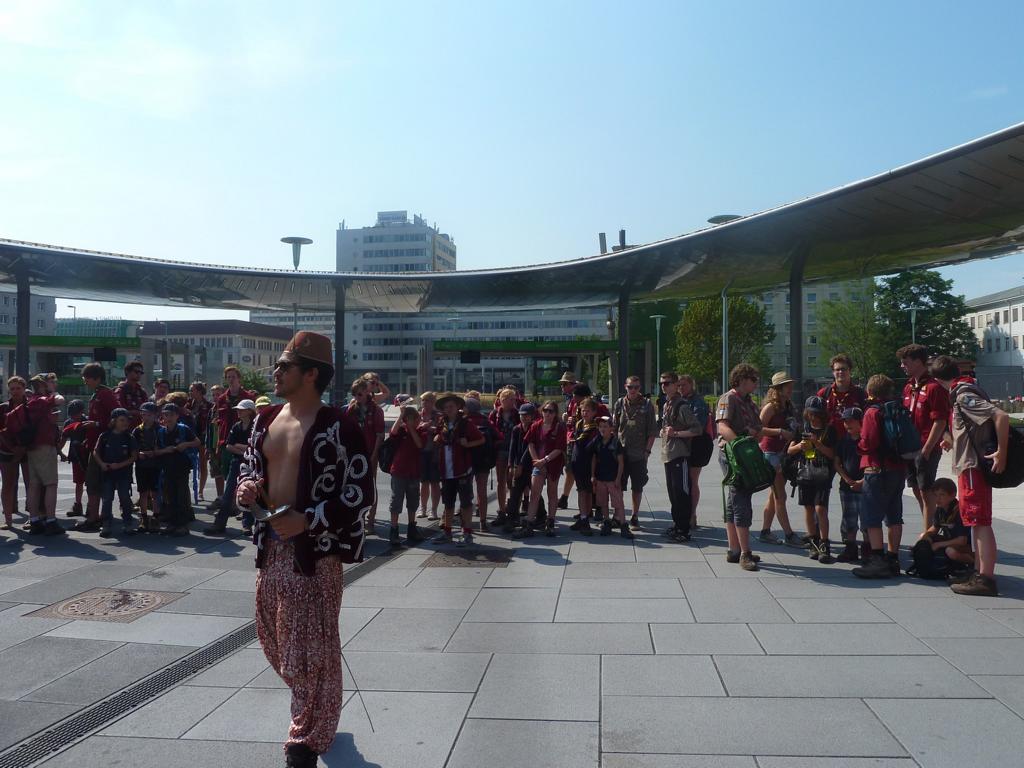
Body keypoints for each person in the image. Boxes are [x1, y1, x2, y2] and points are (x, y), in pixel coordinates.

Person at [235, 330, 372, 768]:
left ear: (311, 374)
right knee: (274, 639)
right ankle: (320, 707)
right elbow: (250, 465)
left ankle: (306, 739)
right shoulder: (265, 418)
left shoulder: (340, 426)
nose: (275, 372)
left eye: (284, 366)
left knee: (307, 648)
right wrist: (247, 487)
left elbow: (360, 493)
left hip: (315, 553)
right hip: (270, 546)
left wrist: (309, 519)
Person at [930, 355, 1010, 596]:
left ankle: (985, 578)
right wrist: (952, 440)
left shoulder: (963, 395)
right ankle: (979, 572)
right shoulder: (964, 391)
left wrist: (1002, 453)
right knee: (975, 523)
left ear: (938, 380)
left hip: (973, 467)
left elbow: (1001, 416)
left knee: (979, 522)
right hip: (970, 465)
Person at [852, 375, 907, 579]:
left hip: (876, 469)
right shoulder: (897, 409)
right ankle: (893, 559)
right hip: (898, 469)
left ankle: (877, 560)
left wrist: (857, 442)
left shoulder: (872, 412)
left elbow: (869, 443)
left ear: (870, 391)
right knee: (894, 516)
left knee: (871, 517)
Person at [716, 363, 764, 571]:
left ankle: (734, 550)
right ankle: (745, 553)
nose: (756, 383)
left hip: (745, 454)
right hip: (734, 456)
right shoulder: (729, 398)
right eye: (754, 380)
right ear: (742, 380)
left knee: (734, 500)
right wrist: (740, 446)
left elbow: (758, 426)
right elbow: (722, 426)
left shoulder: (748, 401)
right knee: (741, 499)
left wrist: (759, 432)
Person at [898, 343, 950, 534]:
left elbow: (940, 421)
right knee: (917, 490)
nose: (902, 366)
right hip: (909, 449)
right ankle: (930, 530)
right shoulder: (908, 387)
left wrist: (926, 450)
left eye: (905, 362)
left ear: (918, 362)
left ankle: (928, 536)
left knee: (927, 492)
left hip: (925, 449)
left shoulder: (934, 388)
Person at [786, 396, 837, 563]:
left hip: (823, 473)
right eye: (811, 414)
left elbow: (832, 454)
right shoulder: (802, 428)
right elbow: (789, 451)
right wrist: (800, 446)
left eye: (817, 414)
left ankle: (824, 543)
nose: (814, 417)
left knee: (820, 509)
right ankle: (813, 541)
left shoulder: (829, 430)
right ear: (806, 413)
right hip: (805, 472)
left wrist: (817, 444)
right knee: (808, 508)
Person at [431, 393, 484, 546]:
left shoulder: (466, 423)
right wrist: (436, 438)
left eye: (451, 406)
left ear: (458, 407)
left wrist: (467, 444)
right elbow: (438, 438)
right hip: (446, 470)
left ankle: (467, 533)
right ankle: (447, 532)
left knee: (466, 503)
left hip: (462, 469)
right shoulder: (442, 423)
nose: (449, 409)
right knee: (448, 503)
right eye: (446, 407)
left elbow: (481, 439)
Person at [76, 363, 121, 532]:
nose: (85, 381)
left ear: (97, 378)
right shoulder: (97, 394)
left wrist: (95, 424)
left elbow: (116, 417)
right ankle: (98, 515)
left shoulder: (105, 394)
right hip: (94, 444)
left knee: (93, 482)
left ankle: (93, 518)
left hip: (102, 447)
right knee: (96, 483)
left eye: (87, 378)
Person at [757, 372, 801, 546]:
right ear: (778, 389)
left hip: (782, 454)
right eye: (786, 386)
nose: (790, 389)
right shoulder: (770, 407)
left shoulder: (788, 405)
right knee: (780, 497)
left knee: (774, 495)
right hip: (771, 454)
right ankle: (789, 535)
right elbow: (757, 429)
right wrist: (780, 431)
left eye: (790, 385)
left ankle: (765, 531)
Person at [205, 399, 257, 536]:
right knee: (228, 494)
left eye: (242, 409)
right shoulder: (236, 426)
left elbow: (255, 446)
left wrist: (239, 446)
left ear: (249, 411)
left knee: (248, 493)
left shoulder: (255, 427)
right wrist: (245, 450)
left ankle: (247, 524)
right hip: (237, 463)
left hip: (251, 464)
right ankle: (219, 524)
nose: (238, 411)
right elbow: (228, 446)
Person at [660, 372, 702, 543]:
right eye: (661, 383)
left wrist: (676, 433)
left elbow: (697, 429)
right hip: (669, 454)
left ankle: (684, 529)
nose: (663, 386)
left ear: (675, 384)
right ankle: (677, 525)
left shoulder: (681, 406)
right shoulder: (667, 404)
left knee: (681, 493)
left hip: (680, 455)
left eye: (667, 383)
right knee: (673, 493)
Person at [517, 399, 567, 538]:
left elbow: (559, 448)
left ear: (555, 413)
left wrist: (544, 460)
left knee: (552, 493)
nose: (547, 413)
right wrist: (536, 461)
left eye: (551, 411)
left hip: (553, 463)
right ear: (541, 411)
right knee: (535, 494)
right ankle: (529, 523)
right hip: (538, 463)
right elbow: (530, 443)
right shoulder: (536, 425)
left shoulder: (559, 427)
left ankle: (550, 522)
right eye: (545, 410)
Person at [613, 374, 656, 530]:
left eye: (636, 387)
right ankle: (618, 515)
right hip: (621, 453)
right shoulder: (619, 403)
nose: (633, 390)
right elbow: (614, 427)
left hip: (639, 453)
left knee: (637, 487)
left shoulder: (647, 405)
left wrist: (647, 452)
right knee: (618, 485)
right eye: (630, 387)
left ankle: (635, 516)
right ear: (625, 387)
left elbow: (652, 431)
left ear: (640, 388)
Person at [212, 367, 257, 510]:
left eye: (233, 377)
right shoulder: (221, 399)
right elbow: (219, 422)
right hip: (226, 440)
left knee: (244, 475)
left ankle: (238, 506)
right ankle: (230, 503)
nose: (231, 380)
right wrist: (217, 444)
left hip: (244, 439)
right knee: (227, 474)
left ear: (239, 378)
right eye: (228, 377)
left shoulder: (248, 397)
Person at [342, 378, 385, 528]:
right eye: (354, 394)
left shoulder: (376, 410)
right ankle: (356, 519)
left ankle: (371, 520)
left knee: (370, 486)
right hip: (354, 454)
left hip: (370, 452)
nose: (356, 397)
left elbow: (380, 435)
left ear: (367, 392)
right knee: (354, 486)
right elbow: (346, 430)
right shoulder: (352, 409)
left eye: (359, 394)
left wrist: (374, 455)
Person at [156, 402, 200, 536]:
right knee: (170, 496)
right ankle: (172, 523)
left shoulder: (183, 429)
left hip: (182, 467)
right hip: (167, 468)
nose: (168, 418)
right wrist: (165, 450)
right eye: (165, 415)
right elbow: (156, 450)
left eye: (171, 415)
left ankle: (182, 525)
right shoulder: (161, 432)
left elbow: (197, 442)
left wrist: (185, 444)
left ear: (177, 416)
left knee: (181, 496)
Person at [95, 407, 139, 538]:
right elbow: (96, 452)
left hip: (123, 474)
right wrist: (102, 464)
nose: (125, 423)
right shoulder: (104, 436)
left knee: (125, 497)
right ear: (114, 421)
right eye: (122, 420)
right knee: (107, 498)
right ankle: (106, 523)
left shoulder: (129, 437)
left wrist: (119, 465)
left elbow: (134, 456)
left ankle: (127, 522)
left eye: (127, 420)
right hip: (108, 473)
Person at [386, 404, 427, 546]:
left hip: (414, 471)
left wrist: (411, 428)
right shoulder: (401, 430)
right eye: (415, 419)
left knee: (413, 501)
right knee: (396, 500)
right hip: (399, 470)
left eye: (417, 419)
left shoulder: (421, 431)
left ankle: (412, 527)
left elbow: (419, 444)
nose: (418, 421)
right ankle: (394, 529)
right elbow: (393, 432)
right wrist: (401, 417)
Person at [590, 416, 634, 539]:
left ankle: (623, 525)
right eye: (600, 426)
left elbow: (621, 462)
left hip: (613, 479)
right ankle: (607, 522)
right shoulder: (597, 441)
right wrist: (592, 475)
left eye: (605, 426)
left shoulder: (616, 443)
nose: (602, 429)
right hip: (600, 478)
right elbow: (594, 459)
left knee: (618, 503)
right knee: (603, 503)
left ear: (611, 429)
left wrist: (618, 478)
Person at [921, 476, 974, 577]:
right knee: (924, 537)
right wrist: (924, 540)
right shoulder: (940, 509)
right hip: (950, 541)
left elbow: (962, 540)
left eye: (942, 495)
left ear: (953, 495)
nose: (938, 499)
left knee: (951, 551)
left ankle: (973, 563)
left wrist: (938, 544)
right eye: (935, 495)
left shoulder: (959, 511)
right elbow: (935, 528)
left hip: (967, 546)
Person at [833, 407, 867, 562]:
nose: (847, 424)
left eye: (851, 421)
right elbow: (837, 462)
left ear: (861, 422)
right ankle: (850, 547)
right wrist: (846, 478)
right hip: (847, 487)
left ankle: (868, 548)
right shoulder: (843, 441)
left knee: (867, 519)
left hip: (866, 487)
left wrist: (863, 481)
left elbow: (873, 464)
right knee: (849, 518)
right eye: (845, 421)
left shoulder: (866, 441)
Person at [678, 374, 711, 529]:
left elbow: (698, 426)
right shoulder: (678, 401)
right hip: (682, 444)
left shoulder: (698, 402)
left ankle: (692, 515)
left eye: (684, 385)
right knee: (683, 481)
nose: (681, 388)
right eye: (679, 385)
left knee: (692, 480)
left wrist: (679, 432)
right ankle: (686, 514)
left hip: (697, 445)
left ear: (692, 385)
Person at [504, 402, 541, 533]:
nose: (524, 418)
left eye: (526, 415)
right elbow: (512, 448)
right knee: (515, 492)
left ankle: (541, 517)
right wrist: (511, 465)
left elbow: (529, 449)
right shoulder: (516, 429)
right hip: (518, 465)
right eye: (521, 415)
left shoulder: (535, 428)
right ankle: (511, 518)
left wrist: (520, 465)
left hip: (531, 465)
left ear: (532, 416)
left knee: (535, 492)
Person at [464, 394, 499, 531]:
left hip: (466, 460)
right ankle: (483, 522)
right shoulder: (486, 421)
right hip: (484, 461)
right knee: (482, 491)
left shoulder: (464, 421)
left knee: (465, 492)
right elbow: (499, 438)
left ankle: (465, 523)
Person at [0, 376, 30, 530]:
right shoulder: (3, 408)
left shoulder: (30, 406)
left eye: (18, 388)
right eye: (12, 389)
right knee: (7, 484)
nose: (15, 391)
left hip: (27, 450)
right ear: (8, 390)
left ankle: (33, 517)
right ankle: (8, 520)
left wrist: (23, 448)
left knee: (31, 484)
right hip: (7, 450)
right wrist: (12, 449)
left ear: (24, 389)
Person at [568, 398, 600, 534]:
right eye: (582, 410)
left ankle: (585, 518)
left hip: (589, 463)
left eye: (587, 411)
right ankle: (583, 517)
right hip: (577, 461)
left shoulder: (594, 428)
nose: (584, 413)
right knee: (581, 491)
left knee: (586, 492)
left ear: (594, 412)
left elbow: (593, 450)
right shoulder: (579, 424)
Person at [489, 387, 521, 526]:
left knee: (513, 482)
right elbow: (490, 431)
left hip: (514, 451)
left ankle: (513, 511)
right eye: (509, 399)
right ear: (502, 400)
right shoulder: (494, 414)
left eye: (513, 399)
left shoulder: (518, 414)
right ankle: (502, 511)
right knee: (501, 481)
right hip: (500, 451)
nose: (512, 401)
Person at [817, 354, 866, 440]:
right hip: (828, 441)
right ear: (833, 372)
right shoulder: (823, 394)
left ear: (850, 370)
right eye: (837, 369)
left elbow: (865, 420)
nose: (840, 372)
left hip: (853, 441)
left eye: (843, 369)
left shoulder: (860, 394)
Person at [133, 402, 163, 533]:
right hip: (141, 465)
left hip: (156, 465)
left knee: (155, 493)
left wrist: (155, 453)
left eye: (149, 415)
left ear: (155, 415)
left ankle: (156, 517)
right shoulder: (137, 430)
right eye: (143, 414)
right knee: (143, 492)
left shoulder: (160, 430)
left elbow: (163, 446)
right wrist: (138, 453)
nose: (145, 417)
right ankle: (144, 517)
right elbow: (133, 447)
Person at [59, 399, 88, 518]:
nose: (74, 417)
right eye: (72, 415)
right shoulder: (68, 423)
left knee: (90, 482)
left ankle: (91, 506)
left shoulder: (87, 422)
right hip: (75, 456)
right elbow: (63, 440)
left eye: (76, 414)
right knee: (78, 482)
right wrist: (60, 452)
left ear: (81, 412)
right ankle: (78, 505)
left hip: (87, 455)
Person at [417, 391, 442, 521]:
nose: (424, 403)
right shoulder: (418, 415)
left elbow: (443, 431)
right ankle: (423, 508)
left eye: (427, 401)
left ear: (433, 403)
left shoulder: (438, 416)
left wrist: (433, 429)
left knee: (435, 482)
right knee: (423, 482)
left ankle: (434, 510)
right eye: (423, 400)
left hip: (435, 453)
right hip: (421, 452)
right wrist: (422, 427)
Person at [186, 381, 212, 501]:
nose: (190, 392)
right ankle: (186, 490)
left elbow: (211, 423)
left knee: (202, 464)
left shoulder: (209, 406)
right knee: (186, 464)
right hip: (189, 437)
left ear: (200, 392)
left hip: (202, 438)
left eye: (192, 390)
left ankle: (200, 491)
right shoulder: (187, 404)